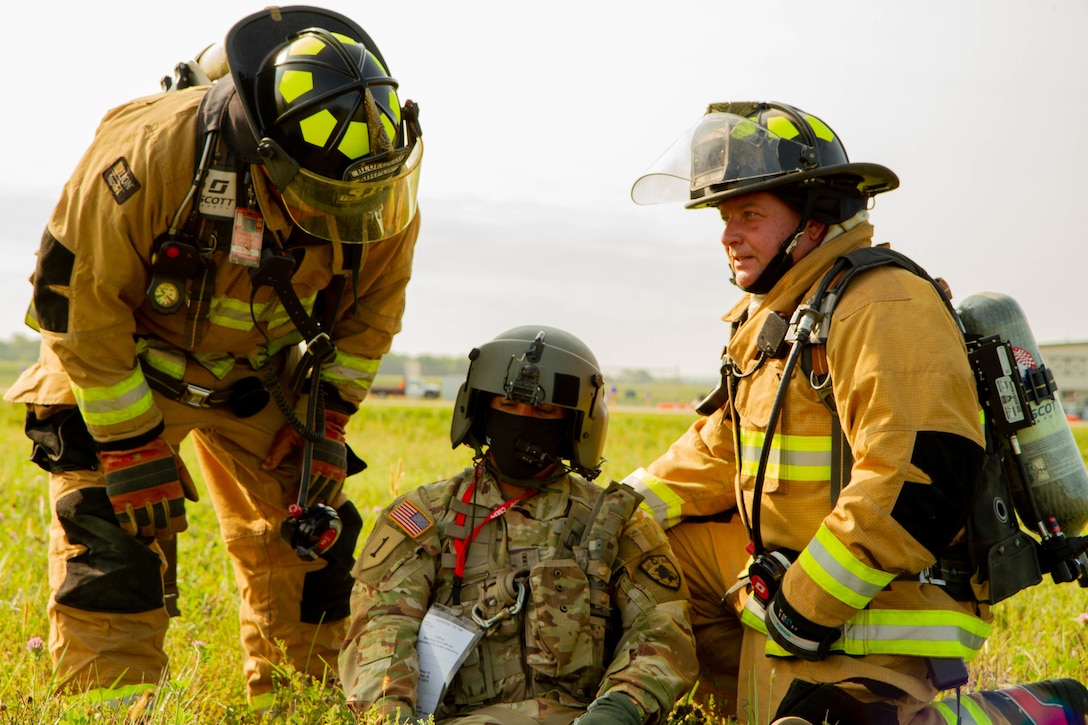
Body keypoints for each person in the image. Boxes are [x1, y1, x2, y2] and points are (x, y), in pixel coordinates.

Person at [2, 5, 422, 713]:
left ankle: (297, 705)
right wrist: (130, 444)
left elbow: (368, 319)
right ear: (264, 155)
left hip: (254, 377)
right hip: (119, 362)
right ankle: (108, 709)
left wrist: (329, 425)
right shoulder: (149, 151)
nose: (342, 221)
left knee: (314, 537)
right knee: (112, 545)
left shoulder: (370, 184)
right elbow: (76, 303)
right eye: (316, 200)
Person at [623, 101, 1088, 723]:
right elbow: (724, 444)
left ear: (815, 219)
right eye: (726, 217)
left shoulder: (883, 304)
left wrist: (804, 604)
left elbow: (918, 481)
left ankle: (1041, 713)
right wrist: (615, 512)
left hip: (876, 607)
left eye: (750, 215)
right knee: (643, 551)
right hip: (790, 575)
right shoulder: (776, 314)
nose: (729, 235)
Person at [339, 325, 697, 724]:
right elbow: (382, 628)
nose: (524, 420)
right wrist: (390, 716)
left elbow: (662, 631)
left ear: (575, 424)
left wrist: (618, 710)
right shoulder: (427, 516)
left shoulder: (617, 523)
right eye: (508, 405)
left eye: (543, 411)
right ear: (480, 409)